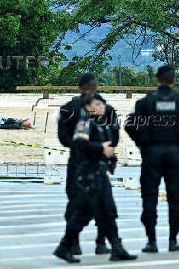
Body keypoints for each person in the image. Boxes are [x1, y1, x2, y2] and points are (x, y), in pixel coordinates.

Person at [125, 65, 179, 253]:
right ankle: (173, 241)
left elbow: (129, 124)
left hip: (151, 154)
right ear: (174, 80)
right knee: (174, 198)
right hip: (174, 153)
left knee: (149, 197)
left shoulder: (145, 102)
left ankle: (151, 241)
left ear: (157, 80)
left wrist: (141, 141)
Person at [53, 93, 137, 263]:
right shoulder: (84, 124)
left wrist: (108, 165)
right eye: (97, 104)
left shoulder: (103, 125)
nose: (102, 107)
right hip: (88, 175)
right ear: (88, 107)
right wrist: (100, 148)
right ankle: (65, 246)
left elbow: (110, 147)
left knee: (109, 211)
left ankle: (116, 247)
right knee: (84, 213)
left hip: (101, 173)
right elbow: (79, 144)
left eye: (102, 104)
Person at [58, 73, 119, 255]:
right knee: (103, 203)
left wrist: (80, 147)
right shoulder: (106, 108)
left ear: (79, 88)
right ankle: (101, 243)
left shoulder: (67, 109)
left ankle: (73, 244)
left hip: (77, 162)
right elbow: (114, 136)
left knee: (75, 202)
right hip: (100, 163)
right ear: (96, 86)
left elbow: (63, 138)